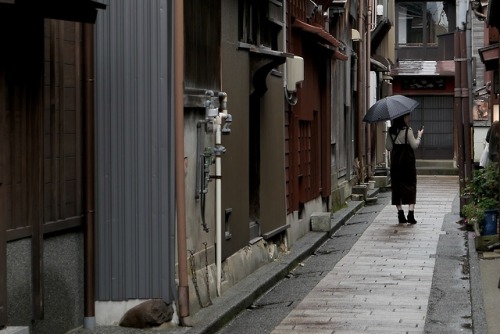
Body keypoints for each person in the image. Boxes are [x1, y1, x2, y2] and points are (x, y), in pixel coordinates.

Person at [385, 113, 424, 224]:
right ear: (403, 118)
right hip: (408, 163)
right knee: (411, 185)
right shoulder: (408, 130)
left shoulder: (391, 131)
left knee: (397, 186)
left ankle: (400, 214)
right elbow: (415, 145)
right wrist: (419, 135)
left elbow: (388, 147)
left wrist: (394, 140)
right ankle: (411, 214)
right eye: (407, 116)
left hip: (396, 163)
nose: (409, 118)